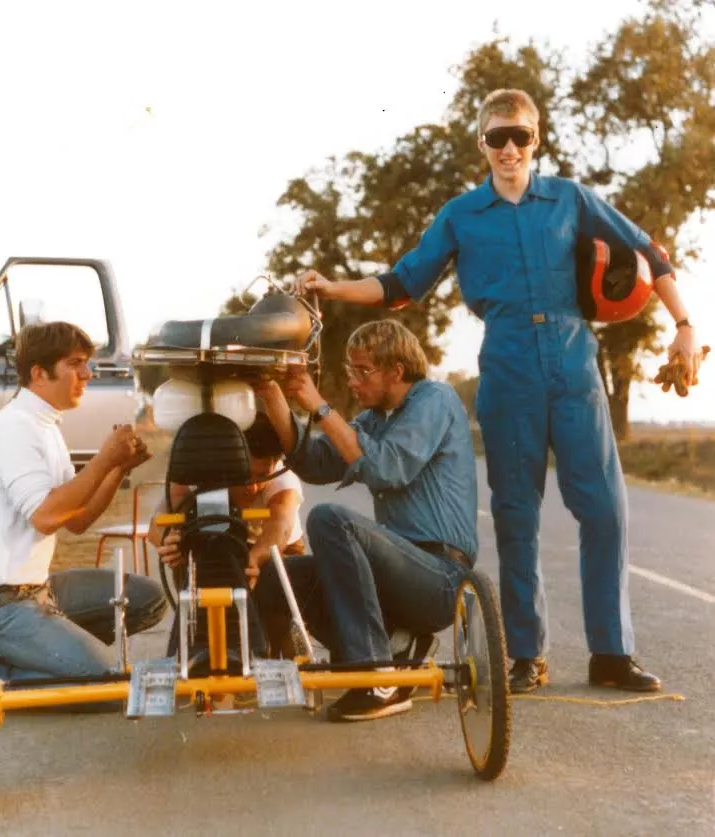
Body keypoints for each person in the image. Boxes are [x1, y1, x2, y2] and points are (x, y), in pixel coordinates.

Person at [294, 88, 707, 694]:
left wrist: (686, 327)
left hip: (572, 358)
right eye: (497, 137)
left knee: (604, 510)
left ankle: (612, 653)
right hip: (508, 363)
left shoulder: (569, 198)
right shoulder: (462, 213)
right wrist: (331, 288)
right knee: (516, 516)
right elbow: (402, 284)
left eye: (520, 136)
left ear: (536, 139)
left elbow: (650, 252)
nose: (509, 148)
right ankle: (526, 654)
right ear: (482, 142)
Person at [253, 319, 478, 721]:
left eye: (362, 370)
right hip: (393, 576)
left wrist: (319, 406)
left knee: (329, 519)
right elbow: (318, 463)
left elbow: (388, 467)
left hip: (439, 575)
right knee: (276, 576)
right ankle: (390, 647)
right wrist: (271, 394)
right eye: (350, 370)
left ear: (396, 370)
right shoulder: (375, 418)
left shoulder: (435, 400)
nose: (354, 381)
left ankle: (376, 674)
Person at [0, 321, 167, 689]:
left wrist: (115, 468)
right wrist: (103, 458)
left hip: (36, 590)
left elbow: (77, 520)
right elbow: (46, 517)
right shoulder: (13, 428)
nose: (88, 373)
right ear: (39, 373)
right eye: (75, 363)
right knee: (111, 681)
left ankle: (38, 655)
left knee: (147, 600)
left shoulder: (46, 426)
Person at [149, 411, 306, 657]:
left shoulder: (284, 480)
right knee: (189, 561)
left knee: (275, 606)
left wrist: (256, 557)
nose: (254, 487)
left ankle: (281, 655)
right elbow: (160, 519)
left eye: (263, 475)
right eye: (247, 476)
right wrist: (168, 541)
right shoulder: (205, 472)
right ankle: (197, 649)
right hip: (220, 546)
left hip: (275, 552)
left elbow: (281, 524)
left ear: (275, 464)